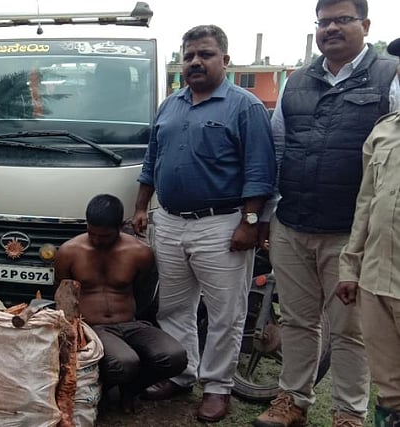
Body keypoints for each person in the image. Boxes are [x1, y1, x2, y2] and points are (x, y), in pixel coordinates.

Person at [253, 1, 400, 426]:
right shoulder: (296, 81)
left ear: (365, 25)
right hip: (292, 222)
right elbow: (278, 148)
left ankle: (347, 413)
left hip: (352, 233)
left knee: (350, 330)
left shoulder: (389, 76)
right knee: (298, 321)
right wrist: (266, 215)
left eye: (342, 20)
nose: (332, 28)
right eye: (324, 21)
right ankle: (293, 400)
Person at [132, 25, 276, 422]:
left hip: (221, 224)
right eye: (190, 55)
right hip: (170, 221)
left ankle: (217, 387)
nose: (196, 61)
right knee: (175, 306)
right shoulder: (170, 104)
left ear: (225, 61)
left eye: (206, 54)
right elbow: (152, 160)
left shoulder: (244, 106)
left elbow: (260, 170)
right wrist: (142, 205)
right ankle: (181, 374)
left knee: (224, 312)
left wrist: (250, 222)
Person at [55, 194, 187, 413]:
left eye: (104, 236)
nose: (97, 240)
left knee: (175, 357)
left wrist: (138, 320)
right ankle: (106, 387)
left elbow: (144, 293)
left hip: (129, 323)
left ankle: (130, 390)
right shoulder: (69, 252)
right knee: (125, 362)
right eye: (92, 233)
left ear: (121, 226)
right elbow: (63, 297)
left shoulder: (140, 253)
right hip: (92, 327)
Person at [337, 37, 400, 427]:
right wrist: (350, 267)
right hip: (377, 280)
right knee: (390, 387)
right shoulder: (385, 132)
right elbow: (366, 204)